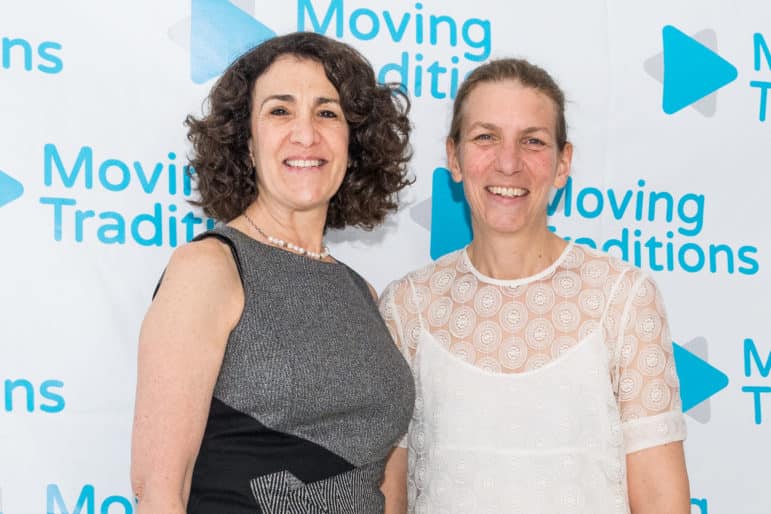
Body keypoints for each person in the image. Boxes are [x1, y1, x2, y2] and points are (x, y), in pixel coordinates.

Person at [379, 58, 690, 514]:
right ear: (453, 157)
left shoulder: (623, 299)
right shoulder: (408, 307)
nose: (508, 163)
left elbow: (663, 500)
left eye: (533, 142)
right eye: (486, 137)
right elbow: (390, 494)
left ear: (563, 164)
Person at [131, 32, 415, 514]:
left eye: (327, 112)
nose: (305, 134)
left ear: (354, 143)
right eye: (279, 111)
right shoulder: (211, 268)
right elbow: (158, 490)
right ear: (245, 141)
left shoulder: (361, 292)